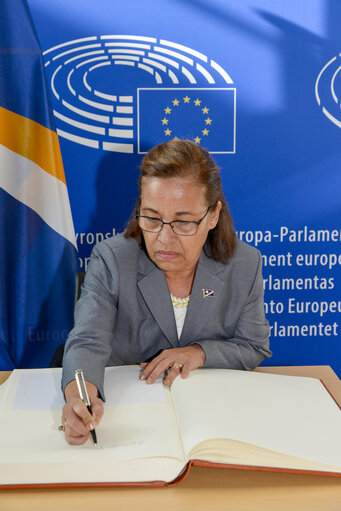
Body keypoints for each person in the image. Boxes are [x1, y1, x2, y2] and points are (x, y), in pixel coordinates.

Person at [61, 139, 271, 445]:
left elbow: (254, 346)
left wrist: (200, 352)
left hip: (215, 420)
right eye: (152, 218)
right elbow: (88, 340)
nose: (164, 239)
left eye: (183, 222)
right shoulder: (112, 259)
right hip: (132, 422)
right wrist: (80, 399)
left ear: (213, 215)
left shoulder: (244, 263)